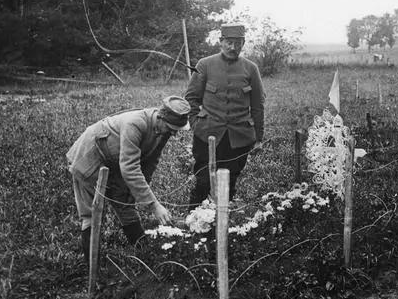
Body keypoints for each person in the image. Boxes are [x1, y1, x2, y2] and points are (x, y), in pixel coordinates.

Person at [66, 96, 190, 263]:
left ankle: (144, 256)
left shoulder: (162, 130)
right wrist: (154, 206)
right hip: (90, 157)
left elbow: (150, 162)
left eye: (177, 129)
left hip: (116, 162)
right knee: (93, 214)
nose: (174, 133)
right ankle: (93, 269)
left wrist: (140, 195)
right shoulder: (136, 123)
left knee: (126, 203)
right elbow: (130, 169)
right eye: (172, 128)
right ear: (161, 117)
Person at [185, 23, 265, 208]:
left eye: (238, 43)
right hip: (207, 134)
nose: (233, 47)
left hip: (239, 138)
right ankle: (194, 219)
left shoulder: (251, 68)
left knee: (229, 182)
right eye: (229, 42)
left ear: (243, 43)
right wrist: (196, 123)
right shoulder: (205, 65)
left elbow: (258, 105)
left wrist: (258, 138)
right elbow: (191, 98)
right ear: (221, 42)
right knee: (203, 180)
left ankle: (223, 224)